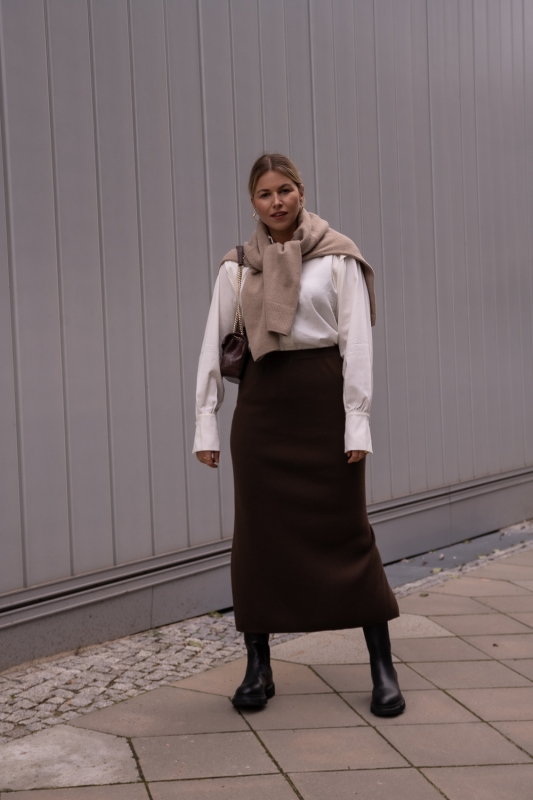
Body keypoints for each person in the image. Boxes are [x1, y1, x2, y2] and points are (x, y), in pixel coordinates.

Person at [194, 153, 405, 718]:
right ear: (253, 203)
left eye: (285, 189)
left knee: (349, 531)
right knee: (257, 541)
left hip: (322, 405)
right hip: (261, 411)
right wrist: (206, 422)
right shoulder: (237, 267)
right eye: (265, 193)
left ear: (301, 192)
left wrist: (357, 420)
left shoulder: (338, 256)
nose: (277, 201)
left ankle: (382, 666)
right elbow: (213, 345)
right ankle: (258, 667)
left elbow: (356, 342)